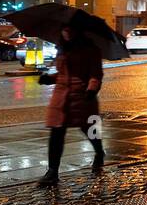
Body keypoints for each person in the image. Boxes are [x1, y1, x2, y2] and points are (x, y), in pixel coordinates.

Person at [36, 23, 105, 186]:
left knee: (90, 129)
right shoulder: (62, 48)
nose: (66, 32)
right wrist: (49, 78)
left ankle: (99, 152)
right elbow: (62, 74)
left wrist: (91, 89)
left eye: (70, 29)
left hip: (82, 95)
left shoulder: (91, 49)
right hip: (60, 97)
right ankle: (52, 172)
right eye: (64, 29)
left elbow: (95, 74)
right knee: (56, 133)